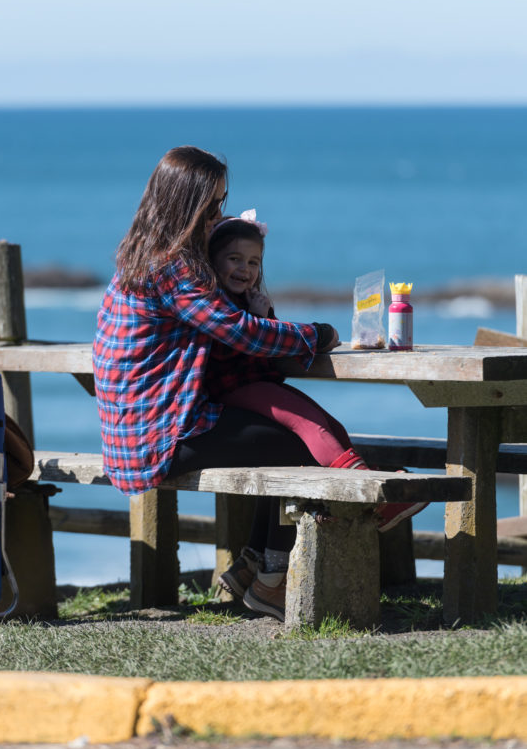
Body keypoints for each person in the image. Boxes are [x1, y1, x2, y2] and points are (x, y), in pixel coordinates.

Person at [92, 146, 420, 622]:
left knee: (282, 439)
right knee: (298, 447)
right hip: (162, 435)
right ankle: (269, 580)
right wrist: (315, 336)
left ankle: (252, 571)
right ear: (187, 204)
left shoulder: (138, 259)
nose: (218, 215)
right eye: (212, 205)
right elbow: (238, 330)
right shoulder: (171, 267)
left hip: (136, 430)